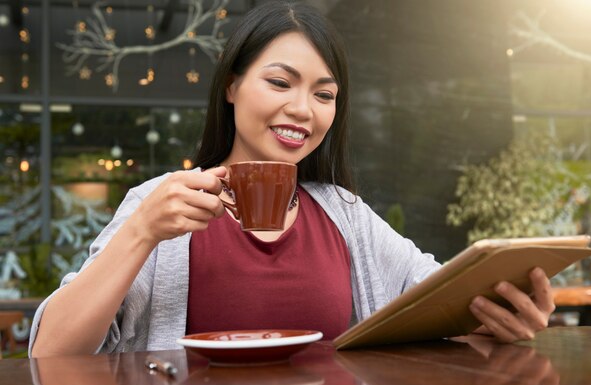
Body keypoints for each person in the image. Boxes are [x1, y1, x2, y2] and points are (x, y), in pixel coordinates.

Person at [29, 1, 554, 357]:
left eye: (324, 95)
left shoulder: (344, 214)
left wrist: (496, 311)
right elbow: (49, 353)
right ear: (232, 87)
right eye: (280, 82)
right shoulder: (159, 204)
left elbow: (436, 294)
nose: (302, 109)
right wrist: (142, 231)